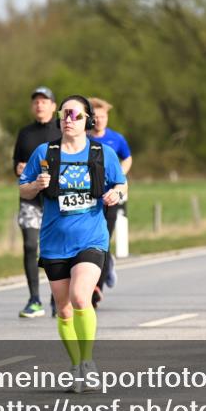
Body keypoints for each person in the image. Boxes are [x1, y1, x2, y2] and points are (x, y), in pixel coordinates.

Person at [19, 96, 127, 392]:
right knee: (64, 310)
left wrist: (116, 194)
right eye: (64, 113)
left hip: (91, 237)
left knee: (81, 297)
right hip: (54, 241)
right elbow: (24, 190)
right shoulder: (45, 152)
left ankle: (89, 362)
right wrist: (35, 186)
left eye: (75, 114)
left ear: (87, 120)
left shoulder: (103, 153)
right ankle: (76, 364)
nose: (68, 118)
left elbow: (120, 183)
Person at [13, 87, 61, 318]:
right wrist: (19, 168)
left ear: (53, 106)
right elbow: (17, 165)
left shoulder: (62, 131)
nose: (39, 105)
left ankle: (56, 297)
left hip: (56, 201)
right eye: (36, 102)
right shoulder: (25, 133)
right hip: (31, 198)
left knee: (54, 250)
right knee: (31, 246)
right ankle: (34, 299)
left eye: (44, 101)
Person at [87, 97, 133, 306]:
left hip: (110, 199)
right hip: (88, 200)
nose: (99, 120)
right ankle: (96, 277)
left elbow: (128, 157)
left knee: (103, 242)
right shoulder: (83, 139)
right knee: (89, 244)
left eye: (103, 117)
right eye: (95, 117)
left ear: (107, 118)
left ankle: (97, 288)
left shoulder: (116, 139)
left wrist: (119, 177)